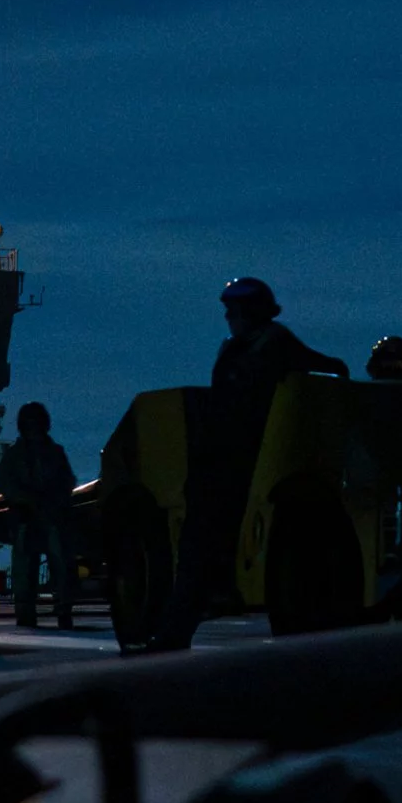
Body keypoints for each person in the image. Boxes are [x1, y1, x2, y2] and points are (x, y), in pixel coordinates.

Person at [147, 276, 344, 651]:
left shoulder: (272, 343)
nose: (227, 317)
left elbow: (321, 368)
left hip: (241, 463)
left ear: (247, 311)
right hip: (221, 462)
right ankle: (180, 627)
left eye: (232, 311)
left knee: (200, 550)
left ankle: (177, 632)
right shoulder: (241, 347)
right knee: (197, 551)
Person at [0, 400, 79, 629]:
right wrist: (28, 500)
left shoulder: (54, 453)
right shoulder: (16, 456)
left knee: (60, 565)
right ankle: (27, 612)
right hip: (27, 516)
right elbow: (7, 485)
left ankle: (62, 609)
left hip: (50, 516)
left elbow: (67, 481)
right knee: (26, 567)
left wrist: (53, 502)